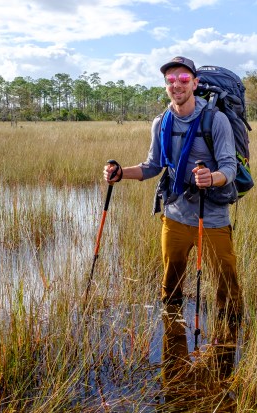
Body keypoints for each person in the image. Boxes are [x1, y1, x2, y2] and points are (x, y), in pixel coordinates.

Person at [103, 56, 243, 392]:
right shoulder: (161, 121)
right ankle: (175, 356)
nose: (176, 84)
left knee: (226, 286)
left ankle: (227, 355)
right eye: (170, 79)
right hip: (175, 215)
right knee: (171, 287)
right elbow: (152, 166)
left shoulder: (216, 120)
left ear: (194, 83)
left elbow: (230, 168)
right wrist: (123, 174)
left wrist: (213, 177)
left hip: (212, 218)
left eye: (183, 78)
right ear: (166, 85)